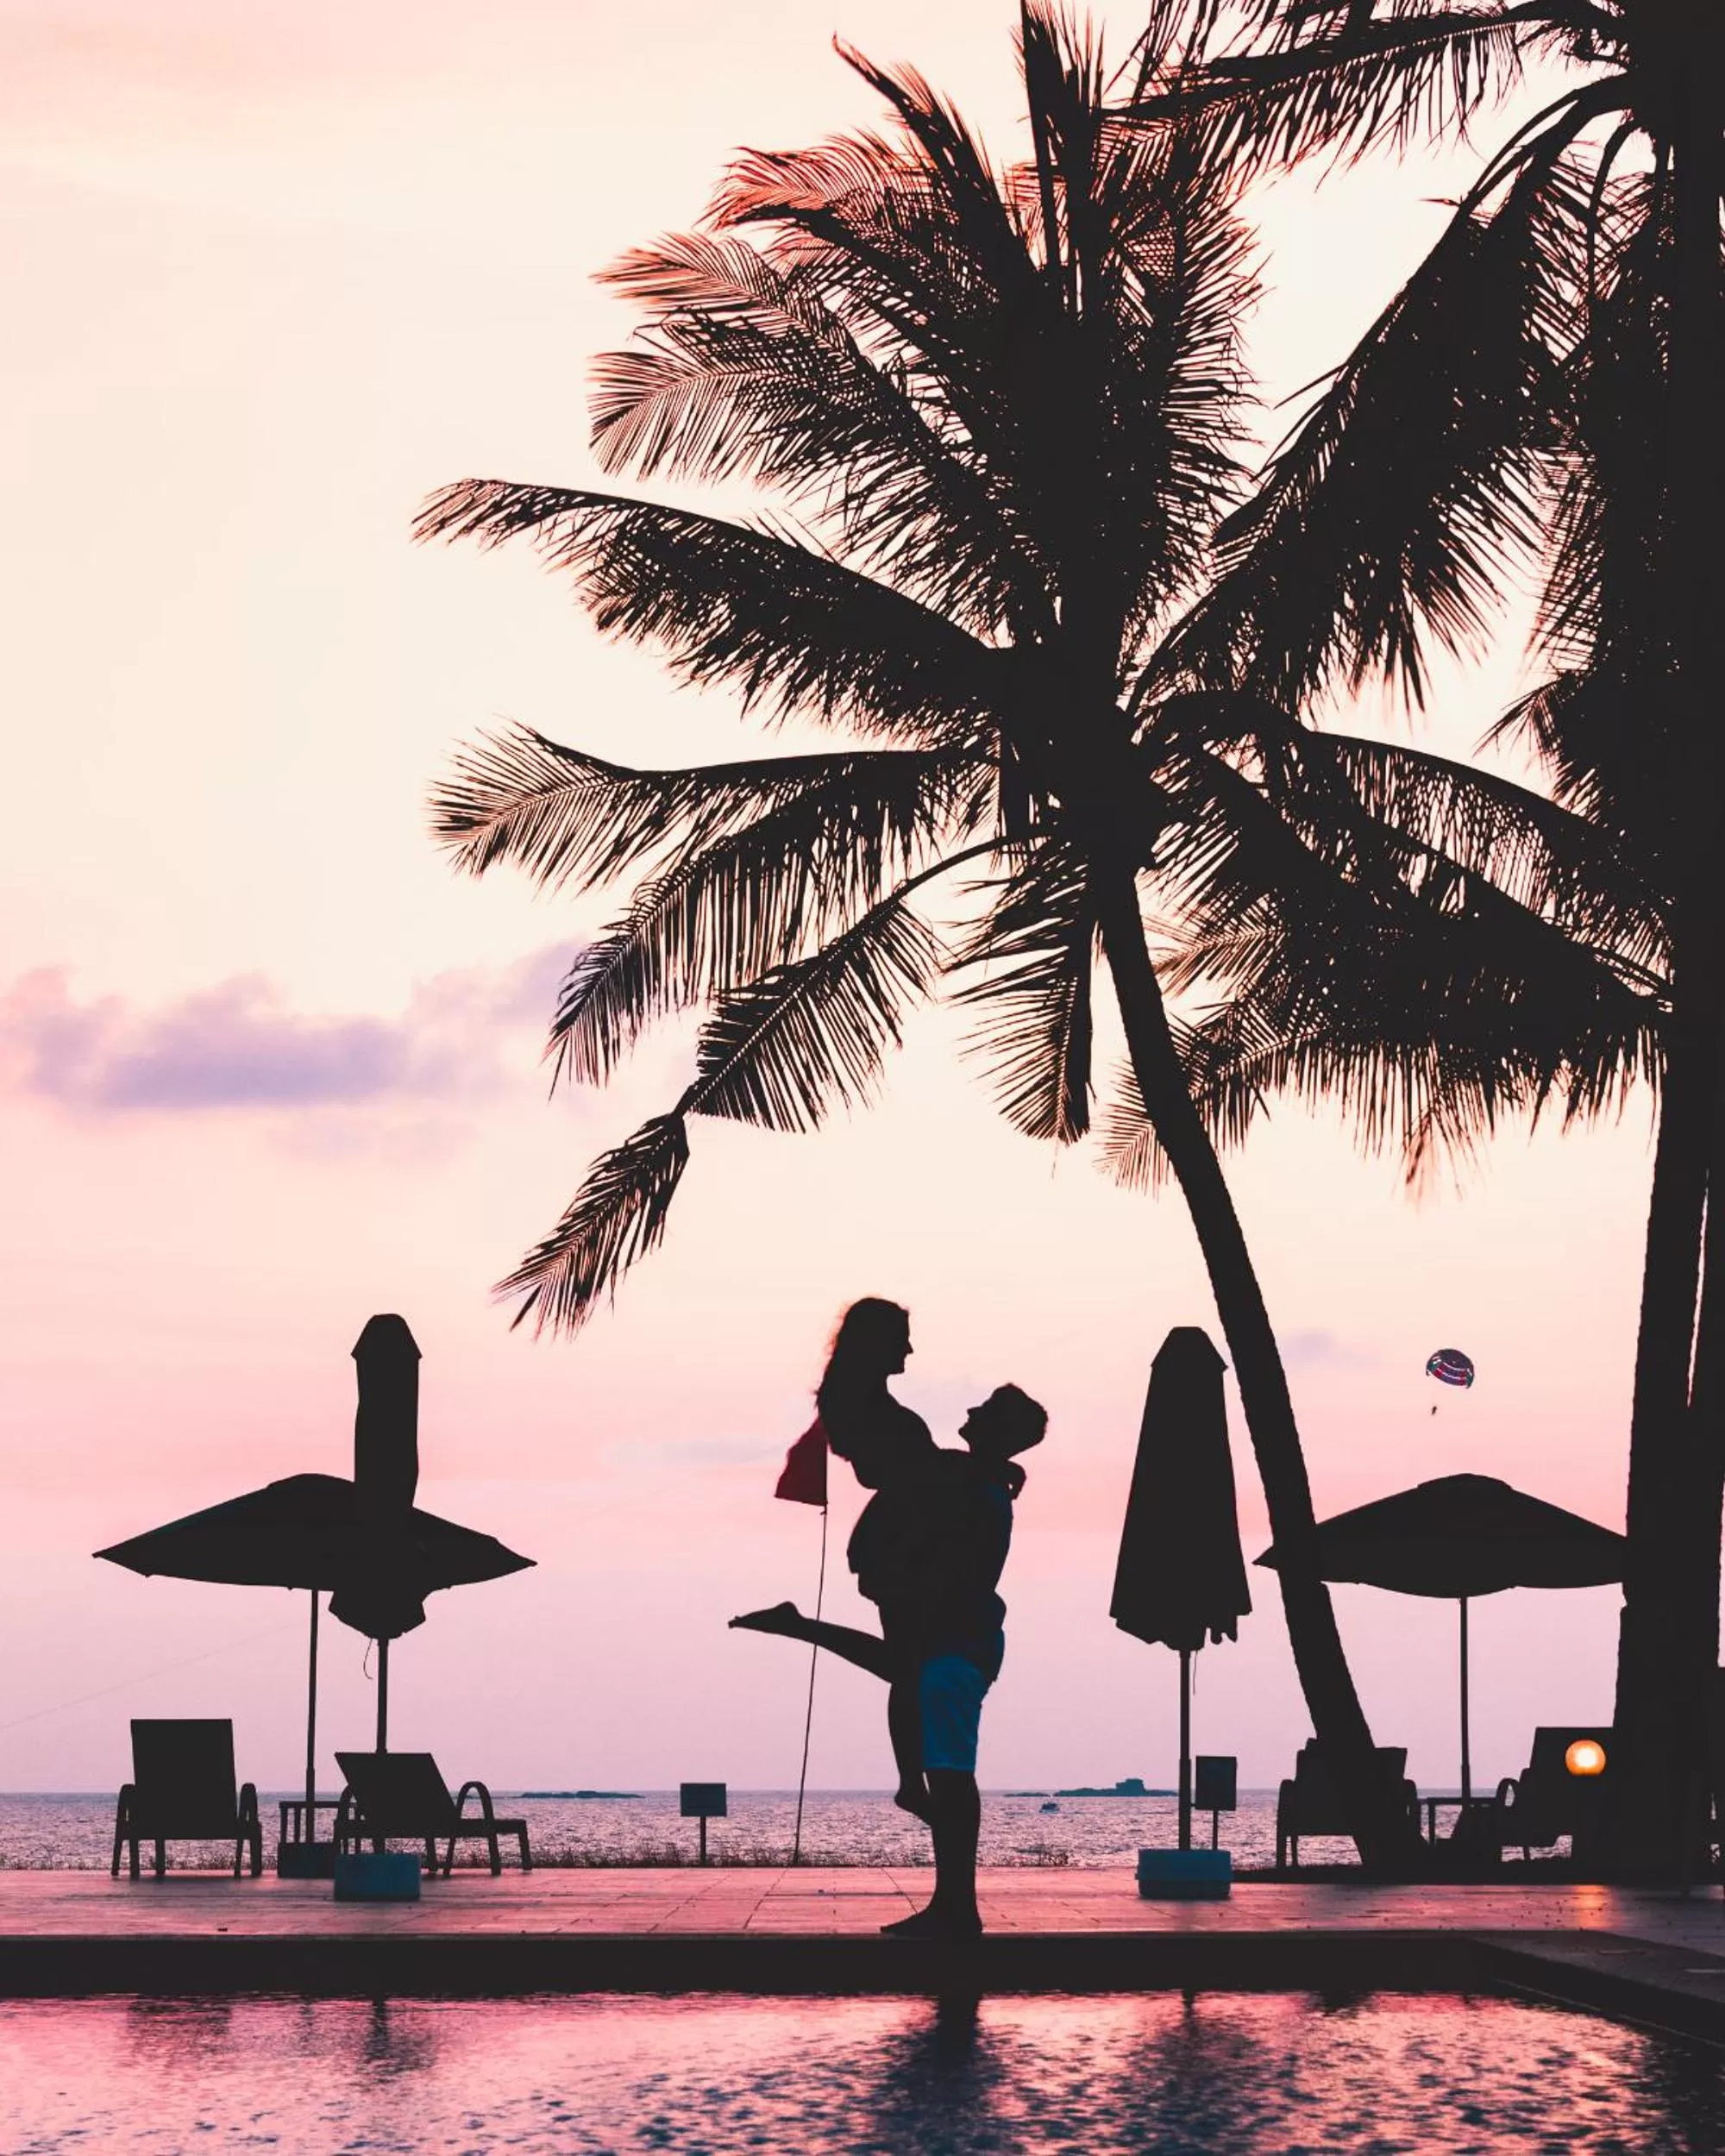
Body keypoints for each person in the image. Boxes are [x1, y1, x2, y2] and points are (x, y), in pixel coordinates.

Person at [733, 1379, 1047, 1936]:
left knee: (950, 1774)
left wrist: (905, 1578)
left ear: (1000, 1429)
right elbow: (921, 1473)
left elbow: (961, 1564)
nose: (970, 1407)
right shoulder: (967, 1474)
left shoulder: (979, 1491)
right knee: (915, 1704)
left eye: (985, 1408)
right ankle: (949, 1896)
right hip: (951, 1633)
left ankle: (957, 1906)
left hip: (959, 1638)